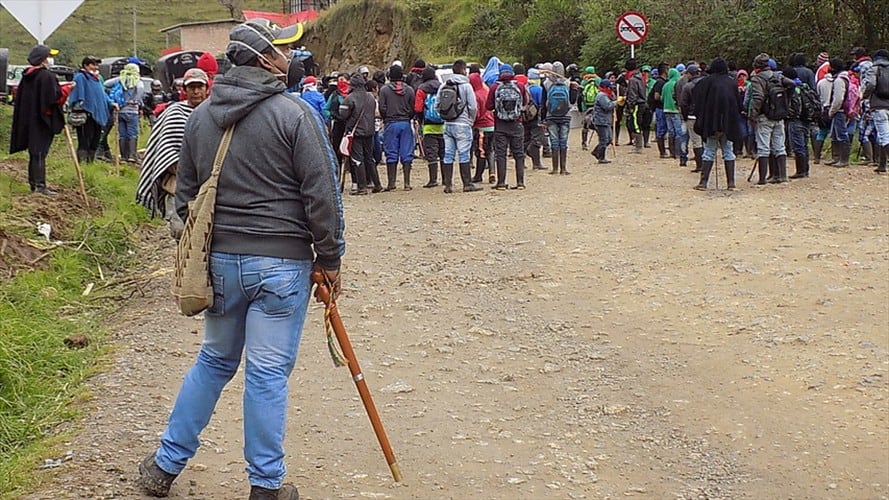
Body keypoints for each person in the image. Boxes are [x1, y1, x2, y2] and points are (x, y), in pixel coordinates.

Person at [137, 21, 344, 500]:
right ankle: (265, 488)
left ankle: (163, 467)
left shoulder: (200, 117)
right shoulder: (295, 115)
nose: (290, 57)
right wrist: (330, 259)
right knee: (267, 374)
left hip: (221, 265)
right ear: (266, 59)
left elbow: (185, 200)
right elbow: (323, 197)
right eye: (284, 50)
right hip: (280, 267)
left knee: (212, 361)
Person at [135, 68, 210, 239]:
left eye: (200, 87)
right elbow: (165, 151)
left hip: (209, 184)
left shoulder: (214, 114)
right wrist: (187, 171)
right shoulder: (174, 114)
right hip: (179, 184)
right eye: (191, 87)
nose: (196, 91)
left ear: (207, 88)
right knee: (181, 232)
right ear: (184, 90)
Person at [10, 44, 71, 195]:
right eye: (48, 56)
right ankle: (40, 186)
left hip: (30, 120)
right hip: (43, 121)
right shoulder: (47, 76)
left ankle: (34, 184)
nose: (50, 60)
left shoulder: (27, 76)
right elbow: (54, 98)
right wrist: (67, 89)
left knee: (34, 153)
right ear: (43, 59)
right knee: (39, 153)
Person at [693, 57, 742, 190]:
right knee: (728, 151)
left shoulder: (705, 83)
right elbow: (738, 104)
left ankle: (703, 182)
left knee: (709, 150)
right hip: (728, 123)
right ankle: (731, 183)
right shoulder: (732, 83)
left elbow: (697, 102)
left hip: (710, 123)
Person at [747, 52, 795, 184]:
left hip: (765, 116)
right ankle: (783, 176)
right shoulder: (778, 76)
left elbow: (758, 98)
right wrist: (786, 103)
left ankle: (762, 179)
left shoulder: (757, 79)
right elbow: (792, 84)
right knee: (780, 146)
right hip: (779, 115)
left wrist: (753, 115)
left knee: (763, 147)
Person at [440, 59, 481, 193]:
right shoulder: (466, 86)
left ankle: (448, 185)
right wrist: (471, 120)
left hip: (448, 124)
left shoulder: (443, 85)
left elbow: (437, 105)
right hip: (463, 124)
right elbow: (473, 106)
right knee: (464, 154)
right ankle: (467, 183)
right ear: (464, 70)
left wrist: (445, 117)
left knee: (448, 154)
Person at [486, 63, 529, 189]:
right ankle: (520, 182)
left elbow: (488, 106)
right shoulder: (520, 86)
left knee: (501, 154)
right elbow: (525, 102)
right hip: (517, 123)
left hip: (500, 125)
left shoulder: (494, 87)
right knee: (519, 154)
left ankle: (501, 183)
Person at [67, 55, 116, 164]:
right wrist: (80, 105)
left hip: (97, 116)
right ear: (86, 65)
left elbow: (103, 94)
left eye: (97, 64)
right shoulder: (80, 77)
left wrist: (111, 103)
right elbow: (76, 95)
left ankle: (90, 164)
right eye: (93, 64)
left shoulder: (97, 78)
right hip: (86, 115)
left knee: (95, 141)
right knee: (84, 141)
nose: (96, 67)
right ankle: (82, 166)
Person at [340, 72, 381, 194]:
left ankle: (362, 187)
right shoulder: (370, 97)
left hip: (356, 132)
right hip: (370, 131)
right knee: (370, 158)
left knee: (357, 159)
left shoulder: (350, 98)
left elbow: (343, 115)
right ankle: (377, 184)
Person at [379, 64, 416, 190]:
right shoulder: (410, 90)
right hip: (405, 124)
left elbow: (382, 108)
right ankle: (407, 183)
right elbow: (413, 108)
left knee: (391, 152)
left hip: (391, 123)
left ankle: (391, 183)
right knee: (407, 152)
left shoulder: (384, 90)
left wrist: (387, 118)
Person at [105, 62, 145, 163]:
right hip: (132, 111)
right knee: (132, 133)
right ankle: (132, 156)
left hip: (120, 110)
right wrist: (136, 100)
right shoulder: (137, 80)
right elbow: (140, 89)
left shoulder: (120, 79)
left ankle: (123, 156)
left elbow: (106, 84)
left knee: (122, 134)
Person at [540, 61, 574, 175]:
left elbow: (543, 102)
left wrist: (543, 119)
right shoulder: (568, 83)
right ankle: (563, 169)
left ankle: (554, 169)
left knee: (554, 141)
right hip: (565, 115)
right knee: (563, 141)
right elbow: (572, 100)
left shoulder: (546, 83)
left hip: (551, 115)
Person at [413, 66, 444, 188]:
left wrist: (420, 120)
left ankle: (433, 179)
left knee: (431, 153)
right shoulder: (442, 86)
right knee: (443, 152)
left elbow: (418, 108)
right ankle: (446, 179)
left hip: (429, 126)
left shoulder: (422, 89)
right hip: (443, 124)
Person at [862, 49, 889, 173]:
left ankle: (883, 164)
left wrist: (865, 95)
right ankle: (882, 165)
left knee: (884, 136)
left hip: (878, 105)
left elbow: (871, 84)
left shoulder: (874, 69)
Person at [469, 72, 495, 183]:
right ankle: (492, 172)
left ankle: (478, 176)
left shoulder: (475, 95)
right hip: (492, 125)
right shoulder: (487, 91)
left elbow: (476, 113)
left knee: (481, 151)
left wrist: (471, 122)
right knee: (490, 150)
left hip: (481, 126)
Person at [591, 79, 618, 164]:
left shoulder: (606, 95)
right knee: (604, 140)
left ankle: (596, 151)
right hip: (601, 121)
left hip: (606, 120)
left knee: (609, 139)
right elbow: (607, 106)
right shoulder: (602, 96)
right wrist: (616, 102)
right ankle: (601, 157)